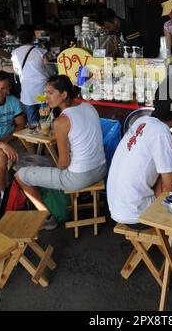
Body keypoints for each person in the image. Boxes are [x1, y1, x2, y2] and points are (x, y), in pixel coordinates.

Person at [107, 78, 172, 228]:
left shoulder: (144, 121)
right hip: (138, 214)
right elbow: (171, 189)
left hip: (119, 207)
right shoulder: (160, 133)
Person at [15, 75, 107, 230]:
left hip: (78, 177)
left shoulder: (61, 121)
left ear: (63, 95)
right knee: (46, 164)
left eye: (50, 93)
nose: (46, 97)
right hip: (101, 169)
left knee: (20, 175)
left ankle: (48, 218)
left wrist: (55, 177)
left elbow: (64, 163)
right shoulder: (89, 107)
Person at [0, 71, 25, 197]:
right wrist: (2, 145)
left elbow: (21, 124)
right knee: (1, 158)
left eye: (3, 88)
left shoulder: (12, 101)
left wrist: (7, 140)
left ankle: (24, 188)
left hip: (10, 138)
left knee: (30, 154)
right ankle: (4, 194)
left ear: (9, 88)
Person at [11, 24, 51, 125]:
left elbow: (16, 71)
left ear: (19, 39)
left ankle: (34, 139)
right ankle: (46, 138)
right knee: (45, 116)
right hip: (41, 90)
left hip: (28, 92)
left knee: (32, 119)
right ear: (33, 37)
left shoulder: (15, 53)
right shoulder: (39, 51)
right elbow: (49, 67)